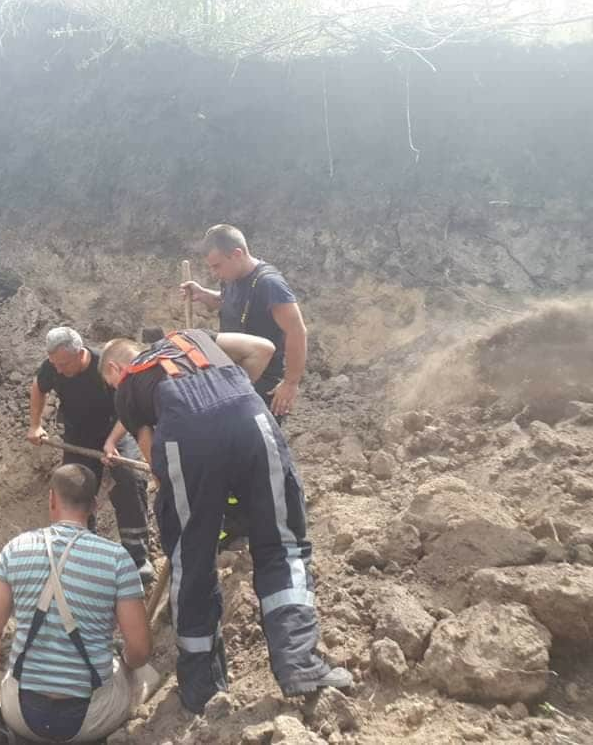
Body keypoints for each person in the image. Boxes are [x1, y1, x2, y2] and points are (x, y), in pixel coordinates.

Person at [99, 329, 352, 712]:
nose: (113, 387)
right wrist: (224, 399)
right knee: (283, 544)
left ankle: (203, 690)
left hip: (186, 438)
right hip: (250, 417)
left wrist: (172, 483)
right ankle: (301, 664)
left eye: (109, 381)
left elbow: (154, 462)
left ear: (117, 367)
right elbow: (263, 348)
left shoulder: (128, 389)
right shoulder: (194, 336)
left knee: (193, 560)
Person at [0, 464, 155, 744]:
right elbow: (140, 650)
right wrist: (124, 662)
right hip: (89, 719)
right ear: (95, 505)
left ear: (51, 499)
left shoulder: (15, 549)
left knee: (14, 677)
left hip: (21, 714)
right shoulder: (117, 559)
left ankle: (6, 735)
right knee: (147, 674)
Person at [27, 327, 151, 581]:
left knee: (128, 479)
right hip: (78, 436)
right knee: (74, 486)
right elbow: (38, 388)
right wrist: (35, 424)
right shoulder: (53, 366)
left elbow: (129, 409)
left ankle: (137, 557)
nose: (58, 371)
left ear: (79, 353)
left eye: (63, 364)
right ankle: (81, 548)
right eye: (55, 364)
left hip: (116, 428)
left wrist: (111, 442)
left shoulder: (102, 365)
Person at [180, 224, 307, 420]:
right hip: (233, 375)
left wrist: (290, 383)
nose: (214, 273)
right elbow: (228, 303)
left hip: (262, 383)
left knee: (259, 444)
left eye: (217, 266)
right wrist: (203, 294)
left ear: (237, 254)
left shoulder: (269, 284)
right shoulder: (232, 277)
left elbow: (297, 331)